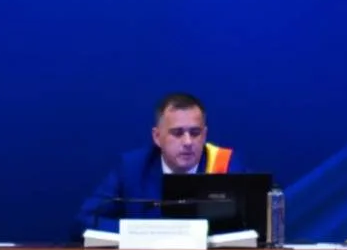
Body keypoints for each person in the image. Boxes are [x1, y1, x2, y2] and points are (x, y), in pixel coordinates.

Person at [75, 92, 245, 234]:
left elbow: (251, 224)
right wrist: (144, 232)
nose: (188, 142)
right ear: (157, 137)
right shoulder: (132, 168)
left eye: (195, 133)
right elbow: (84, 221)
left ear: (205, 135)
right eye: (177, 133)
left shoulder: (225, 166)